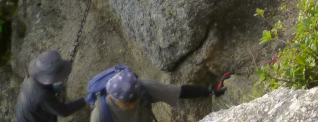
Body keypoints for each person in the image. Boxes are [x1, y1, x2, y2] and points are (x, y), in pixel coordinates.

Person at [89, 68, 222, 122]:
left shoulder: (144, 87)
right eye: (127, 103)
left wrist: (210, 90)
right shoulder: (100, 116)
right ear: (112, 98)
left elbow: (180, 92)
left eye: (135, 100)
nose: (133, 105)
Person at [15, 50, 86, 122]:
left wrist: (53, 88)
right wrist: (85, 100)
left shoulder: (32, 75)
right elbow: (64, 111)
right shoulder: (43, 95)